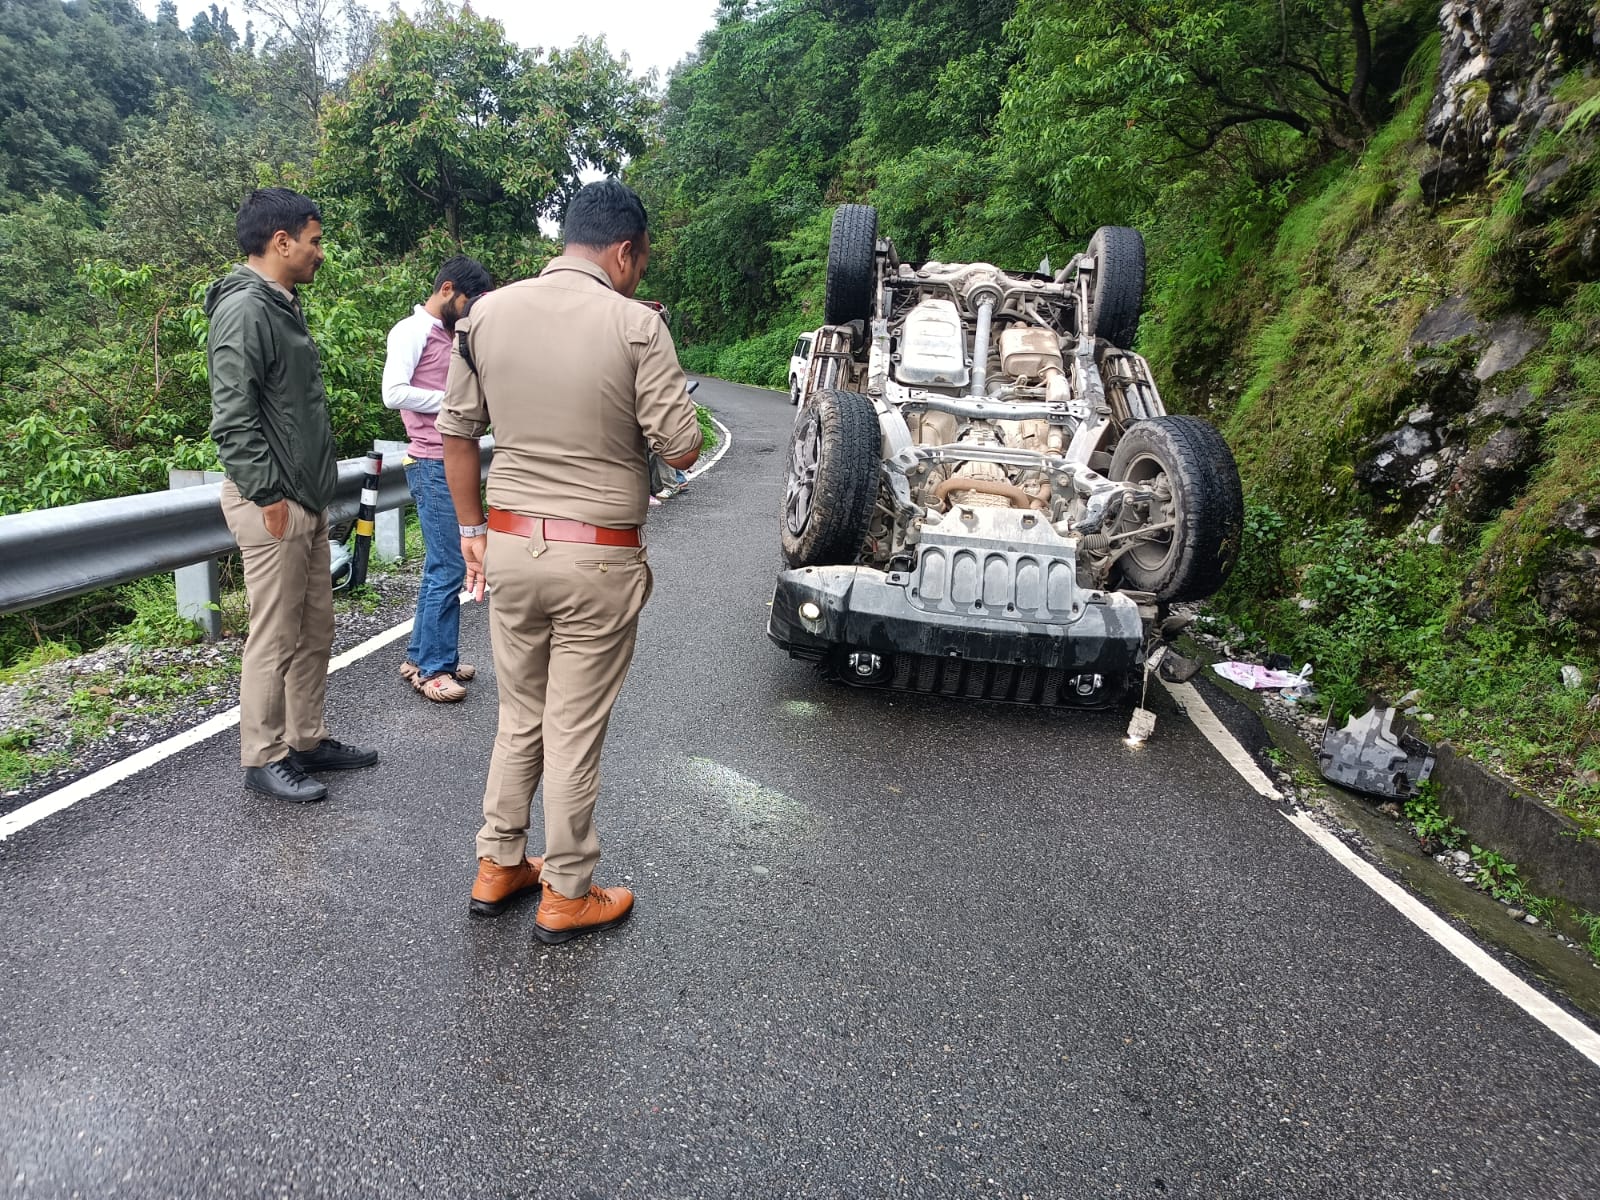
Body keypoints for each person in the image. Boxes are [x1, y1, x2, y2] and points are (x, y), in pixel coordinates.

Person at [438, 179, 701, 940]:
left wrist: (469, 530)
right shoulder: (636, 326)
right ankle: (568, 889)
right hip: (598, 558)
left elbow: (456, 433)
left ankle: (497, 864)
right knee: (574, 725)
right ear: (625, 251)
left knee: (520, 715)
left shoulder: (484, 314)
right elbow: (682, 446)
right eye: (641, 261)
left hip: (510, 543)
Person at [207, 187, 378, 803]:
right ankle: (263, 753)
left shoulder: (283, 303)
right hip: (272, 500)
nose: (320, 253)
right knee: (275, 634)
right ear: (280, 242)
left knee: (314, 629)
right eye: (314, 240)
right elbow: (232, 415)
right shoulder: (245, 309)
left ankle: (306, 739)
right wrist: (268, 495)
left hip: (304, 498)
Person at [382, 255, 494, 703]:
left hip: (449, 459)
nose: (469, 313)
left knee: (441, 567)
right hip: (430, 462)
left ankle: (423, 656)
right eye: (466, 302)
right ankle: (433, 669)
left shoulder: (451, 333)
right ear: (446, 289)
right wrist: (453, 399)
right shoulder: (410, 331)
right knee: (448, 568)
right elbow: (393, 393)